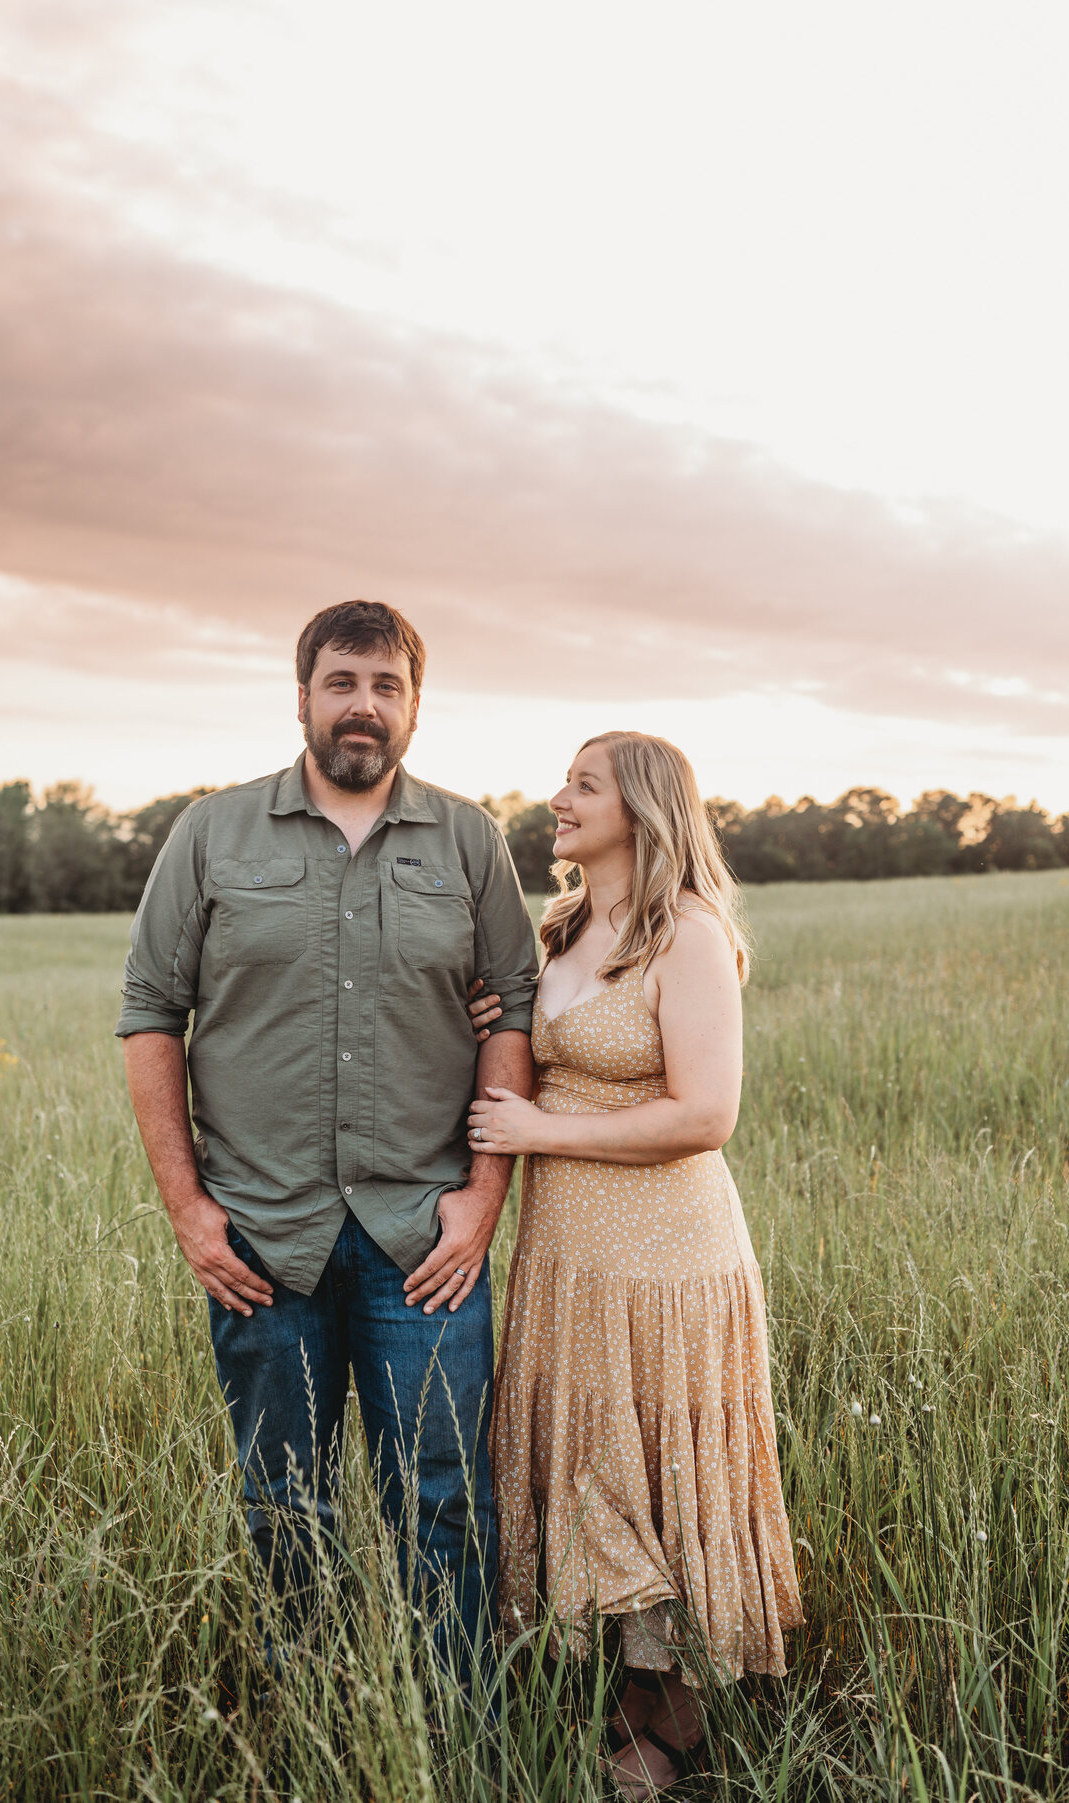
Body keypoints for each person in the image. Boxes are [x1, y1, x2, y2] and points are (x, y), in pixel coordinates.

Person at [116, 599, 538, 1673]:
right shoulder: (212, 834)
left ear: (414, 705)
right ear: (301, 696)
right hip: (261, 1236)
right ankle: (313, 1734)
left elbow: (517, 1012)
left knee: (441, 1500)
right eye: (342, 683)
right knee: (281, 1507)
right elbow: (151, 1012)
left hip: (423, 1241)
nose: (363, 706)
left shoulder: (470, 840)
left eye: (386, 686)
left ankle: (460, 1744)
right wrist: (188, 1210)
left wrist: (484, 1196)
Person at [466, 730, 803, 1797]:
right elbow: (535, 1063)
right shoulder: (562, 929)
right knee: (592, 1468)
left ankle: (679, 1725)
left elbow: (706, 1113)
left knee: (661, 1473)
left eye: (582, 785)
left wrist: (537, 1135)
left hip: (668, 1256)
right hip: (569, 1258)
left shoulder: (687, 934)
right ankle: (624, 1691)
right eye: (564, 780)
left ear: (643, 810)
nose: (556, 798)